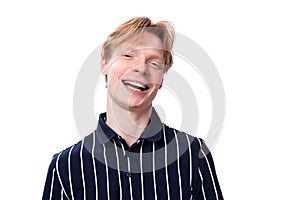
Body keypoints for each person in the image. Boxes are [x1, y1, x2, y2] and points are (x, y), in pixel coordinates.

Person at [42, 17, 223, 200]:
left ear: (161, 79)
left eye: (154, 63)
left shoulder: (193, 153)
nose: (141, 68)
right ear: (105, 63)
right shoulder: (65, 165)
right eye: (128, 55)